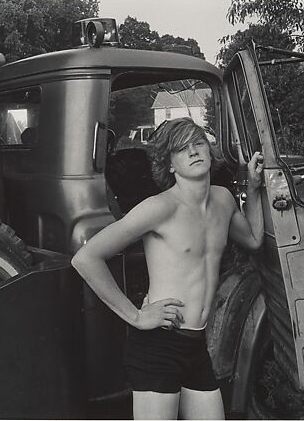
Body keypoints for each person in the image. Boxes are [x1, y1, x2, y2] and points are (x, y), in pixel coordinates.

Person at [72, 117, 264, 419]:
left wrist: (253, 188)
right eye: (182, 148)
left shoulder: (223, 200)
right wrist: (135, 315)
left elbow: (253, 240)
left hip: (196, 346)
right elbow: (86, 258)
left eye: (198, 143)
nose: (193, 152)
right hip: (158, 345)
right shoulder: (160, 207)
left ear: (209, 150)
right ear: (170, 164)